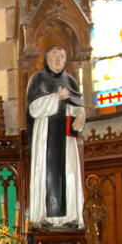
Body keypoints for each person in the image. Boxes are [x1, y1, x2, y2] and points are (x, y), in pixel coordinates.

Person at [26, 46, 86, 228]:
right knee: (46, 172)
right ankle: (43, 216)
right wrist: (56, 97)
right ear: (46, 59)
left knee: (69, 172)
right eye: (54, 56)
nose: (59, 60)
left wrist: (81, 114)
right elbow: (34, 109)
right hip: (45, 134)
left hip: (66, 137)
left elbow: (77, 105)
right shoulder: (38, 79)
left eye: (62, 56)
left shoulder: (71, 81)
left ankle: (70, 217)